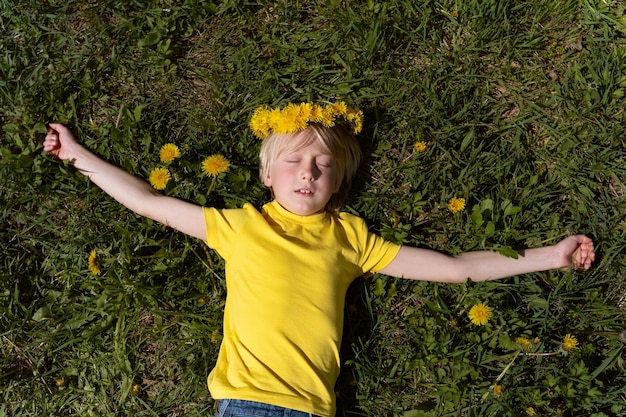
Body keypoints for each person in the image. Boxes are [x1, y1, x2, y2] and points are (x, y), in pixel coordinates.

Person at [43, 102, 595, 417]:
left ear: (339, 183)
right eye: (294, 160)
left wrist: (550, 256)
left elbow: (455, 268)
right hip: (246, 404)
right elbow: (148, 201)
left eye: (324, 164)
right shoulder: (240, 226)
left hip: (312, 409)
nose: (308, 171)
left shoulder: (350, 239)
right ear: (266, 175)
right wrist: (74, 154)